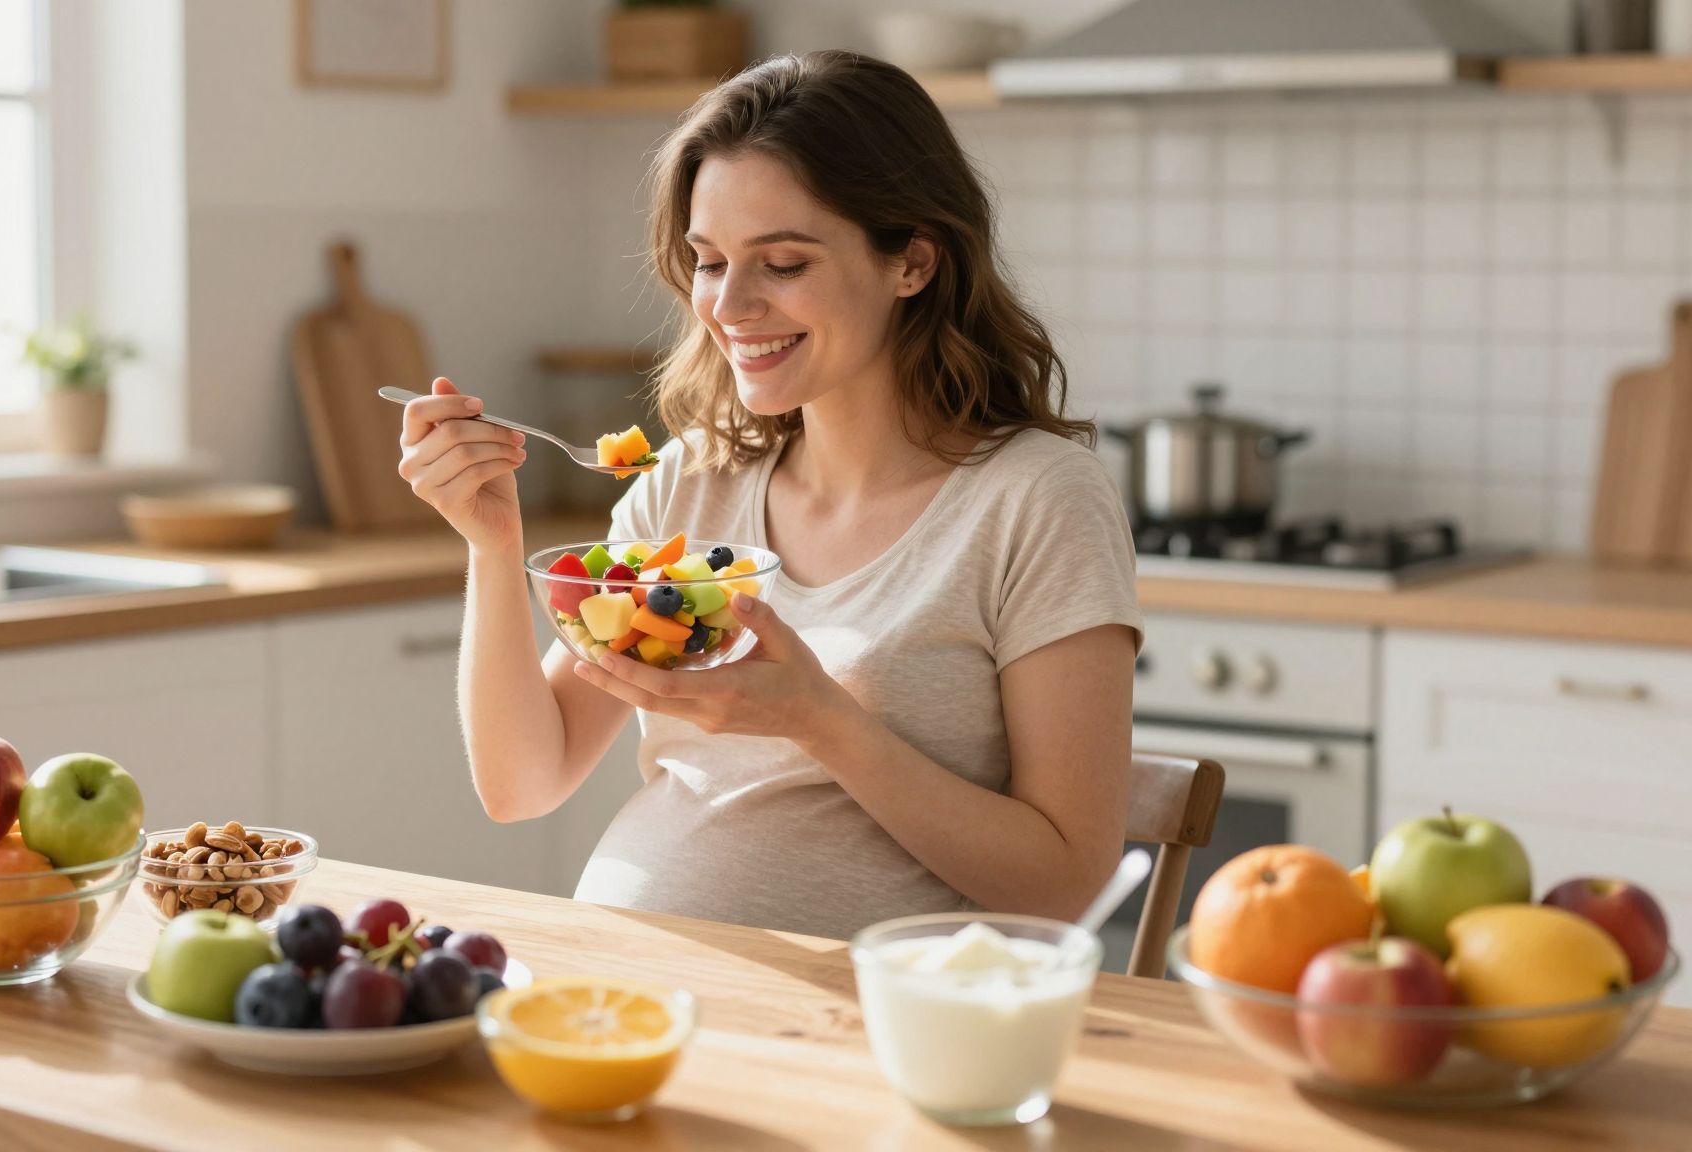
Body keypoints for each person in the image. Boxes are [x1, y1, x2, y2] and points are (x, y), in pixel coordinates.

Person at [396, 51, 1141, 941]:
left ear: (912, 262)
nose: (730, 306)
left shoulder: (1037, 502)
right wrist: (488, 545)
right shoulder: (690, 485)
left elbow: (1065, 885)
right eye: (710, 261)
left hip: (854, 1031)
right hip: (628, 993)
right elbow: (523, 782)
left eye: (782, 263)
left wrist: (819, 719)